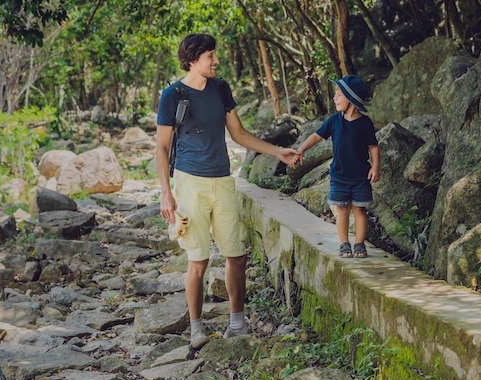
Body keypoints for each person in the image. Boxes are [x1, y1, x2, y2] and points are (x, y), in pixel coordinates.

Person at [156, 34, 300, 349]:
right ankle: (196, 328)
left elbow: (239, 133)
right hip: (188, 183)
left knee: (236, 255)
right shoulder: (172, 95)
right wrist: (166, 192)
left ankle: (237, 323)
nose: (216, 61)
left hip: (222, 180)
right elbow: (162, 147)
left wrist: (278, 152)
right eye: (210, 56)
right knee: (199, 260)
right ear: (193, 59)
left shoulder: (220, 89)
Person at [296, 75, 380, 258]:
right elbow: (317, 136)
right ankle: (344, 244)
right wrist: (301, 149)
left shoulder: (365, 123)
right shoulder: (334, 121)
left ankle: (359, 244)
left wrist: (375, 167)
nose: (335, 98)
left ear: (351, 99)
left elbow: (373, 146)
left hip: (360, 176)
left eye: (339, 95)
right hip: (339, 176)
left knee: (359, 210)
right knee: (342, 210)